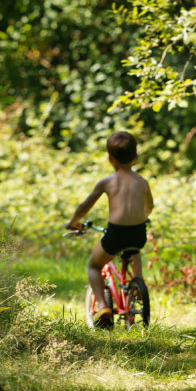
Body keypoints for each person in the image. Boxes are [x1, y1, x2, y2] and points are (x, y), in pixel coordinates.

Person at [66, 131, 154, 329]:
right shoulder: (142, 182)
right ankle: (137, 286)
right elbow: (149, 207)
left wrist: (74, 221)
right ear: (136, 158)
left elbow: (84, 206)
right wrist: (143, 216)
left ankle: (104, 307)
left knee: (94, 266)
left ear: (110, 158)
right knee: (134, 251)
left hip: (116, 233)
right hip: (138, 232)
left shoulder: (107, 182)